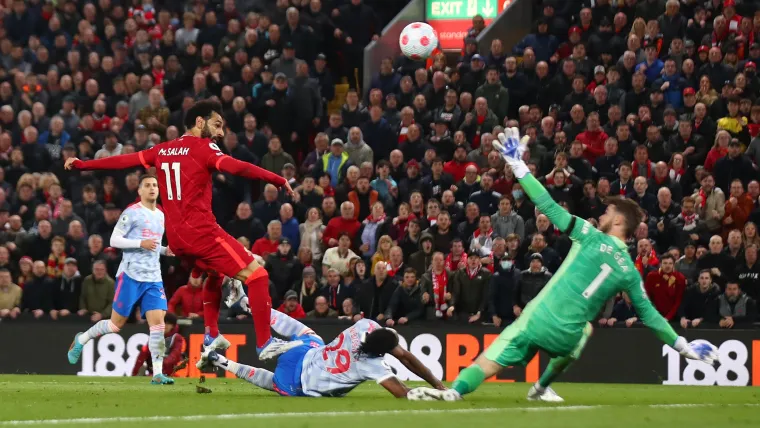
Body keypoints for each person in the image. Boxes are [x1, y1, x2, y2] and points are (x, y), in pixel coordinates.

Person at [420, 128, 716, 403]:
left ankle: (455, 392)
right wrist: (682, 346)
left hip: (537, 318)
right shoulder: (629, 269)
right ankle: (541, 387)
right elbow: (650, 315)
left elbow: (548, 205)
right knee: (584, 331)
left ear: (617, 221)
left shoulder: (587, 235)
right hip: (567, 335)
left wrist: (520, 168)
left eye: (607, 211)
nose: (602, 214)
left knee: (488, 361)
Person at [64, 100, 297, 360]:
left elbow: (123, 161)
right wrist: (276, 178)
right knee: (258, 277)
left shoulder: (162, 149)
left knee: (214, 274)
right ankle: (264, 343)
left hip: (176, 238)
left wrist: (85, 165)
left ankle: (211, 334)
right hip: (201, 232)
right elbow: (237, 167)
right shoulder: (204, 148)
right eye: (217, 125)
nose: (220, 133)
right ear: (200, 122)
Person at [67, 174, 176, 385]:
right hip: (131, 276)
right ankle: (81, 339)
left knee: (158, 325)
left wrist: (164, 250)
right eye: (147, 185)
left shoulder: (161, 214)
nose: (152, 188)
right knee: (116, 325)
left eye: (155, 185)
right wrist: (139, 243)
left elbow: (152, 245)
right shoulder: (132, 212)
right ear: (140, 191)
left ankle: (157, 374)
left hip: (153, 277)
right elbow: (114, 240)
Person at [197, 309, 445, 398]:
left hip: (306, 353)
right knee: (272, 383)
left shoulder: (365, 325)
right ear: (384, 352)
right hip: (299, 383)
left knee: (307, 333)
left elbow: (402, 354)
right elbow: (402, 392)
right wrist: (437, 389)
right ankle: (220, 360)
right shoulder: (373, 365)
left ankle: (252, 305)